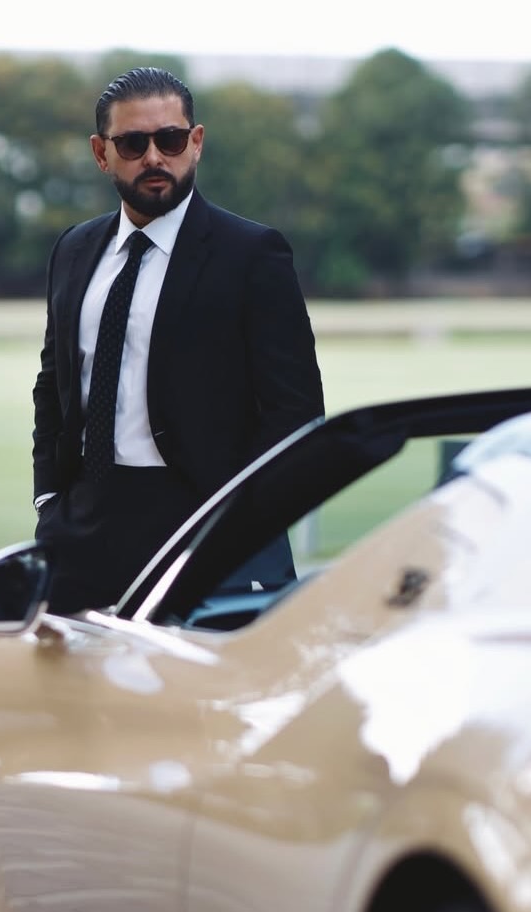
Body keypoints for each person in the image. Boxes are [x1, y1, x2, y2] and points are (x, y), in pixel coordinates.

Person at [31, 66, 324, 614]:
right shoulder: (73, 249)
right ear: (101, 152)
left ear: (196, 142)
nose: (154, 157)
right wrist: (50, 499)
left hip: (207, 527)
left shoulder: (251, 254)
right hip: (80, 530)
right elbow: (54, 383)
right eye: (132, 143)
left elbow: (296, 412)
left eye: (169, 139)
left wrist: (243, 520)